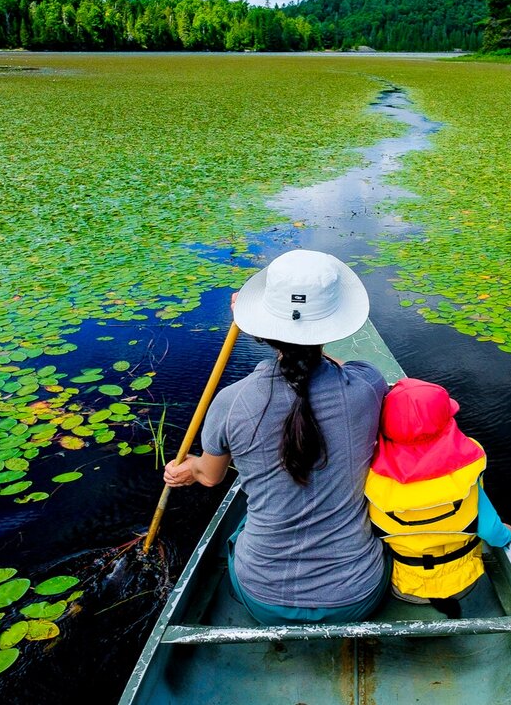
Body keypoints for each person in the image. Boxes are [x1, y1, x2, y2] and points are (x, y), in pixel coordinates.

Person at [162, 249, 390, 624]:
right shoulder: (367, 386)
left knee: (242, 528)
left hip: (263, 598)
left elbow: (210, 476)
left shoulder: (231, 402)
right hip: (357, 595)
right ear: (331, 326)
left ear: (261, 330)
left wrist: (187, 470)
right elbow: (337, 366)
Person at [364, 377, 511, 617]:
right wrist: (508, 534)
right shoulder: (467, 467)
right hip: (463, 582)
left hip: (403, 585)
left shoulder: (370, 473)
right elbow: (492, 532)